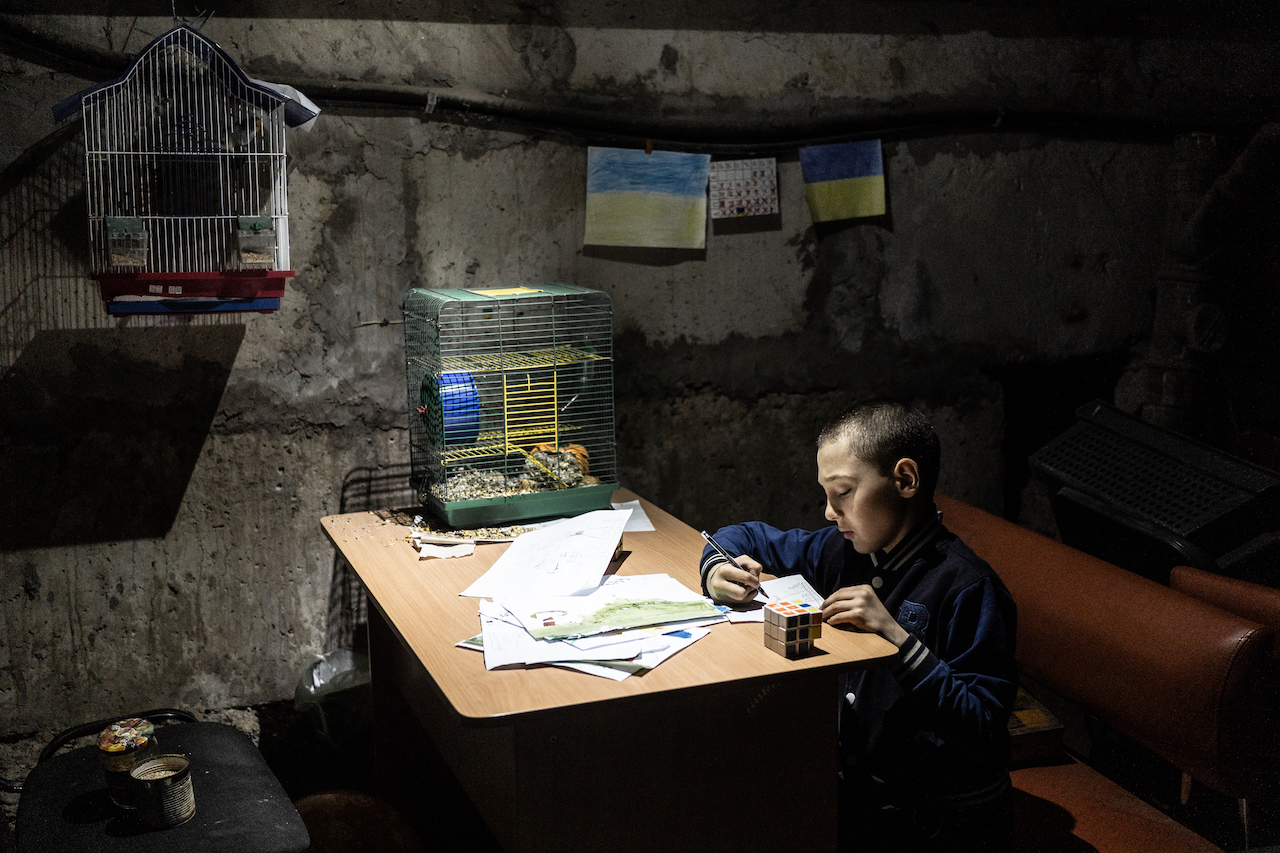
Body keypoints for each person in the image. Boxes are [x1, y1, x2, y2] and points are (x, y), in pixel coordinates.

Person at [699, 400, 1018, 853]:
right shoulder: (843, 552)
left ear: (904, 480)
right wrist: (716, 568)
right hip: (862, 798)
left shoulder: (969, 587)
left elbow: (983, 726)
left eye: (843, 492)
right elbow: (744, 536)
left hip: (939, 820)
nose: (829, 513)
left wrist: (898, 641)